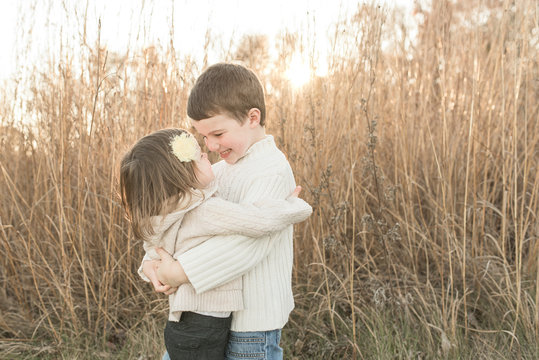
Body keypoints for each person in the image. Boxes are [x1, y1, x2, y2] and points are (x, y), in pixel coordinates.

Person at [148, 62, 307, 360]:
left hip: (252, 326)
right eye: (202, 136)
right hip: (210, 318)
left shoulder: (270, 171)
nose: (209, 146)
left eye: (217, 134)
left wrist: (181, 271)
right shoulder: (215, 172)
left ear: (252, 117)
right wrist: (152, 262)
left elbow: (247, 244)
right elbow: (182, 222)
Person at [119, 128, 312, 359]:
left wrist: (148, 267)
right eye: (199, 157)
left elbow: (153, 252)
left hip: (181, 325)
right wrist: (294, 205)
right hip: (207, 328)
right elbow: (258, 221)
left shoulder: (161, 215)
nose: (207, 154)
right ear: (182, 176)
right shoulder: (205, 210)